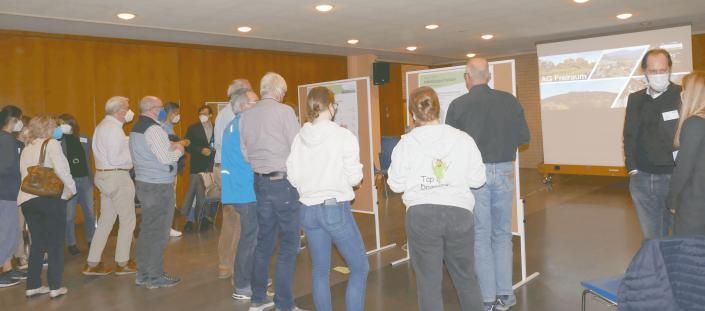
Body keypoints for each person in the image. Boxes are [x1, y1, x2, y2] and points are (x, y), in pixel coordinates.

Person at [389, 87, 486, 311]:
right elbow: (478, 180)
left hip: (421, 217)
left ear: (412, 114)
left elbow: (395, 184)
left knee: (428, 284)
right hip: (459, 214)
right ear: (439, 110)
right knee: (466, 279)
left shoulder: (405, 144)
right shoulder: (463, 139)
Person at [446, 57, 530, 311]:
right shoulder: (509, 100)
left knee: (480, 236)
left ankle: (487, 298)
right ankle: (506, 295)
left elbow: (450, 145)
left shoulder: (458, 105)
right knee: (502, 234)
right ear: (489, 76)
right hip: (504, 171)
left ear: (467, 78)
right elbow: (524, 137)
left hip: (476, 176)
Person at [287, 87, 369, 311]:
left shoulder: (298, 139)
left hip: (308, 211)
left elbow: (293, 177)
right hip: (334, 209)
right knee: (360, 268)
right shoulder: (343, 136)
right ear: (331, 106)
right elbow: (355, 178)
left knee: (320, 272)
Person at [240, 72, 305, 311]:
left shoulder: (246, 116)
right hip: (283, 184)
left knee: (264, 241)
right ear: (279, 91)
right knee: (289, 244)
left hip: (259, 182)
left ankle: (258, 298)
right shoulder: (285, 112)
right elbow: (297, 147)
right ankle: (284, 304)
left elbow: (245, 153)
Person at [623, 49, 682, 239]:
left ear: (670, 69)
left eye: (663, 70)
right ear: (645, 72)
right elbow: (629, 134)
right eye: (653, 71)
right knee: (652, 238)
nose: (659, 75)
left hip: (674, 177)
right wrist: (632, 169)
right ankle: (657, 268)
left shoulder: (682, 95)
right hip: (642, 178)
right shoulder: (635, 99)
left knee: (681, 235)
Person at [18, 115, 77, 298]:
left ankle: (33, 285)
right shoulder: (51, 144)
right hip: (49, 198)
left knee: (38, 243)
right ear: (48, 127)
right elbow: (62, 170)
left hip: (27, 199)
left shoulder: (27, 146)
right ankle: (55, 286)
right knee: (55, 244)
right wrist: (71, 190)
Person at [130, 96, 185, 289]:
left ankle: (143, 273)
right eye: (161, 108)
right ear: (154, 109)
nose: (164, 111)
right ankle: (155, 276)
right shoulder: (154, 129)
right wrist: (178, 149)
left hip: (144, 183)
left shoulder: (137, 127)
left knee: (148, 230)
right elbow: (166, 157)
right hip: (159, 186)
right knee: (160, 232)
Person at [84, 96, 138, 276]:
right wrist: (133, 155)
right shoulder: (114, 129)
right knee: (128, 220)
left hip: (104, 176)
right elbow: (116, 158)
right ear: (119, 111)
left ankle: (93, 262)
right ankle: (122, 262)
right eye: (127, 108)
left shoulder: (101, 126)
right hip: (118, 176)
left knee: (106, 221)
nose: (130, 111)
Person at [220, 88, 259, 296]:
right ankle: (243, 285)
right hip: (246, 190)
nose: (258, 105)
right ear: (243, 106)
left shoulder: (234, 125)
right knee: (249, 239)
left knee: (249, 237)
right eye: (255, 101)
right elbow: (252, 157)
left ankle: (248, 279)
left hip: (241, 189)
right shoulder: (244, 126)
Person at [215, 78, 251, 279]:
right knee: (241, 221)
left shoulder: (223, 113)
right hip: (234, 171)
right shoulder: (238, 116)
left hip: (222, 169)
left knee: (229, 220)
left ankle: (224, 265)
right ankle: (239, 269)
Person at [667, 71, 705, 236]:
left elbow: (683, 169)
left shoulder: (694, 123)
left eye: (684, 90)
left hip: (694, 207)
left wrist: (672, 200)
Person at [57, 114, 96, 256]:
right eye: (59, 124)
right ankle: (72, 244)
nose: (61, 126)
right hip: (69, 182)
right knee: (69, 216)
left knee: (90, 214)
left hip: (85, 180)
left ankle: (92, 240)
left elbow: (95, 152)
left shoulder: (84, 138)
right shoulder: (58, 141)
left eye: (63, 123)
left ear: (71, 124)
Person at [0, 105, 27, 288]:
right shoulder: (6, 140)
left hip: (10, 193)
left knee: (13, 232)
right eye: (20, 119)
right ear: (14, 120)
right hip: (6, 193)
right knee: (7, 233)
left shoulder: (10, 140)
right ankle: (3, 270)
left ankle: (8, 267)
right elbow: (5, 167)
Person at [182, 105, 215, 232]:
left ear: (211, 115)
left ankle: (206, 218)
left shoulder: (217, 128)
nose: (202, 115)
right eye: (200, 113)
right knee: (195, 192)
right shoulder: (193, 128)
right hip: (197, 166)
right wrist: (200, 150)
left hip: (212, 166)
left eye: (205, 113)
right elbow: (187, 146)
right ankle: (190, 220)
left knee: (211, 193)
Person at [159, 102, 184, 238]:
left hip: (171, 168)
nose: (177, 116)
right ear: (170, 113)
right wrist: (180, 144)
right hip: (166, 169)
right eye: (176, 113)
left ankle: (167, 227)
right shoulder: (163, 128)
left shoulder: (169, 127)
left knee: (170, 199)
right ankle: (166, 228)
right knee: (167, 200)